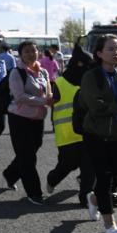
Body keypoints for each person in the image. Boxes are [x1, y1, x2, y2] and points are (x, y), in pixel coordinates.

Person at [77, 34, 117, 233]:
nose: (116, 52)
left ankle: (94, 199)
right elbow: (95, 106)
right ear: (99, 53)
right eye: (110, 48)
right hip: (95, 134)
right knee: (104, 177)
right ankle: (109, 222)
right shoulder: (91, 77)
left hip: (116, 135)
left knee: (115, 178)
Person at [2, 41, 53, 204]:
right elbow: (20, 97)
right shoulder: (16, 72)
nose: (31, 54)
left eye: (33, 50)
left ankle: (10, 174)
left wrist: (51, 99)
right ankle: (34, 192)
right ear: (20, 54)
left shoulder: (43, 71)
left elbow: (48, 92)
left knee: (32, 150)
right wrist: (43, 101)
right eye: (27, 51)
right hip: (19, 118)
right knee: (27, 157)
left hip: (38, 118)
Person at [45, 43, 96, 206]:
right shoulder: (60, 82)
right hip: (67, 134)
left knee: (89, 166)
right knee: (68, 164)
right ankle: (52, 179)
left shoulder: (91, 82)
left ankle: (86, 198)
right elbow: (51, 103)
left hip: (88, 131)